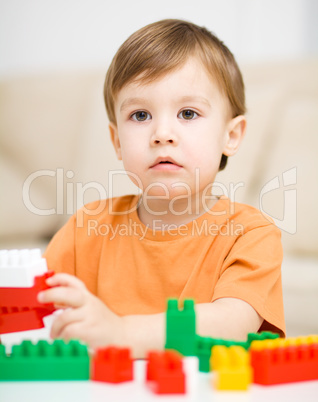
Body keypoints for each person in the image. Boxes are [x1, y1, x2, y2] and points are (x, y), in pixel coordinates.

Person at [38, 19, 285, 358]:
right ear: (117, 141)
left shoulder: (251, 235)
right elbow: (35, 308)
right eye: (140, 115)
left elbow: (233, 324)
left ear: (231, 136)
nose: (162, 133)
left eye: (188, 112)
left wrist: (120, 332)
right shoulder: (86, 229)